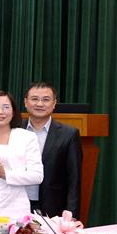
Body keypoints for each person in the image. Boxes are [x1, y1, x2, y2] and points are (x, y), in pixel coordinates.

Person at [0, 91, 44, 221]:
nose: (0, 112)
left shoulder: (27, 137)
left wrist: (5, 174)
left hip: (16, 204)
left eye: (6, 107)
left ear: (13, 112)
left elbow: (37, 176)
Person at [23, 82, 82, 218]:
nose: (39, 104)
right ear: (25, 102)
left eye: (46, 99)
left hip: (52, 208)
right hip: (16, 203)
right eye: (34, 99)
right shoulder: (14, 130)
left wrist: (72, 215)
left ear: (54, 103)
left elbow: (74, 180)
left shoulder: (69, 134)